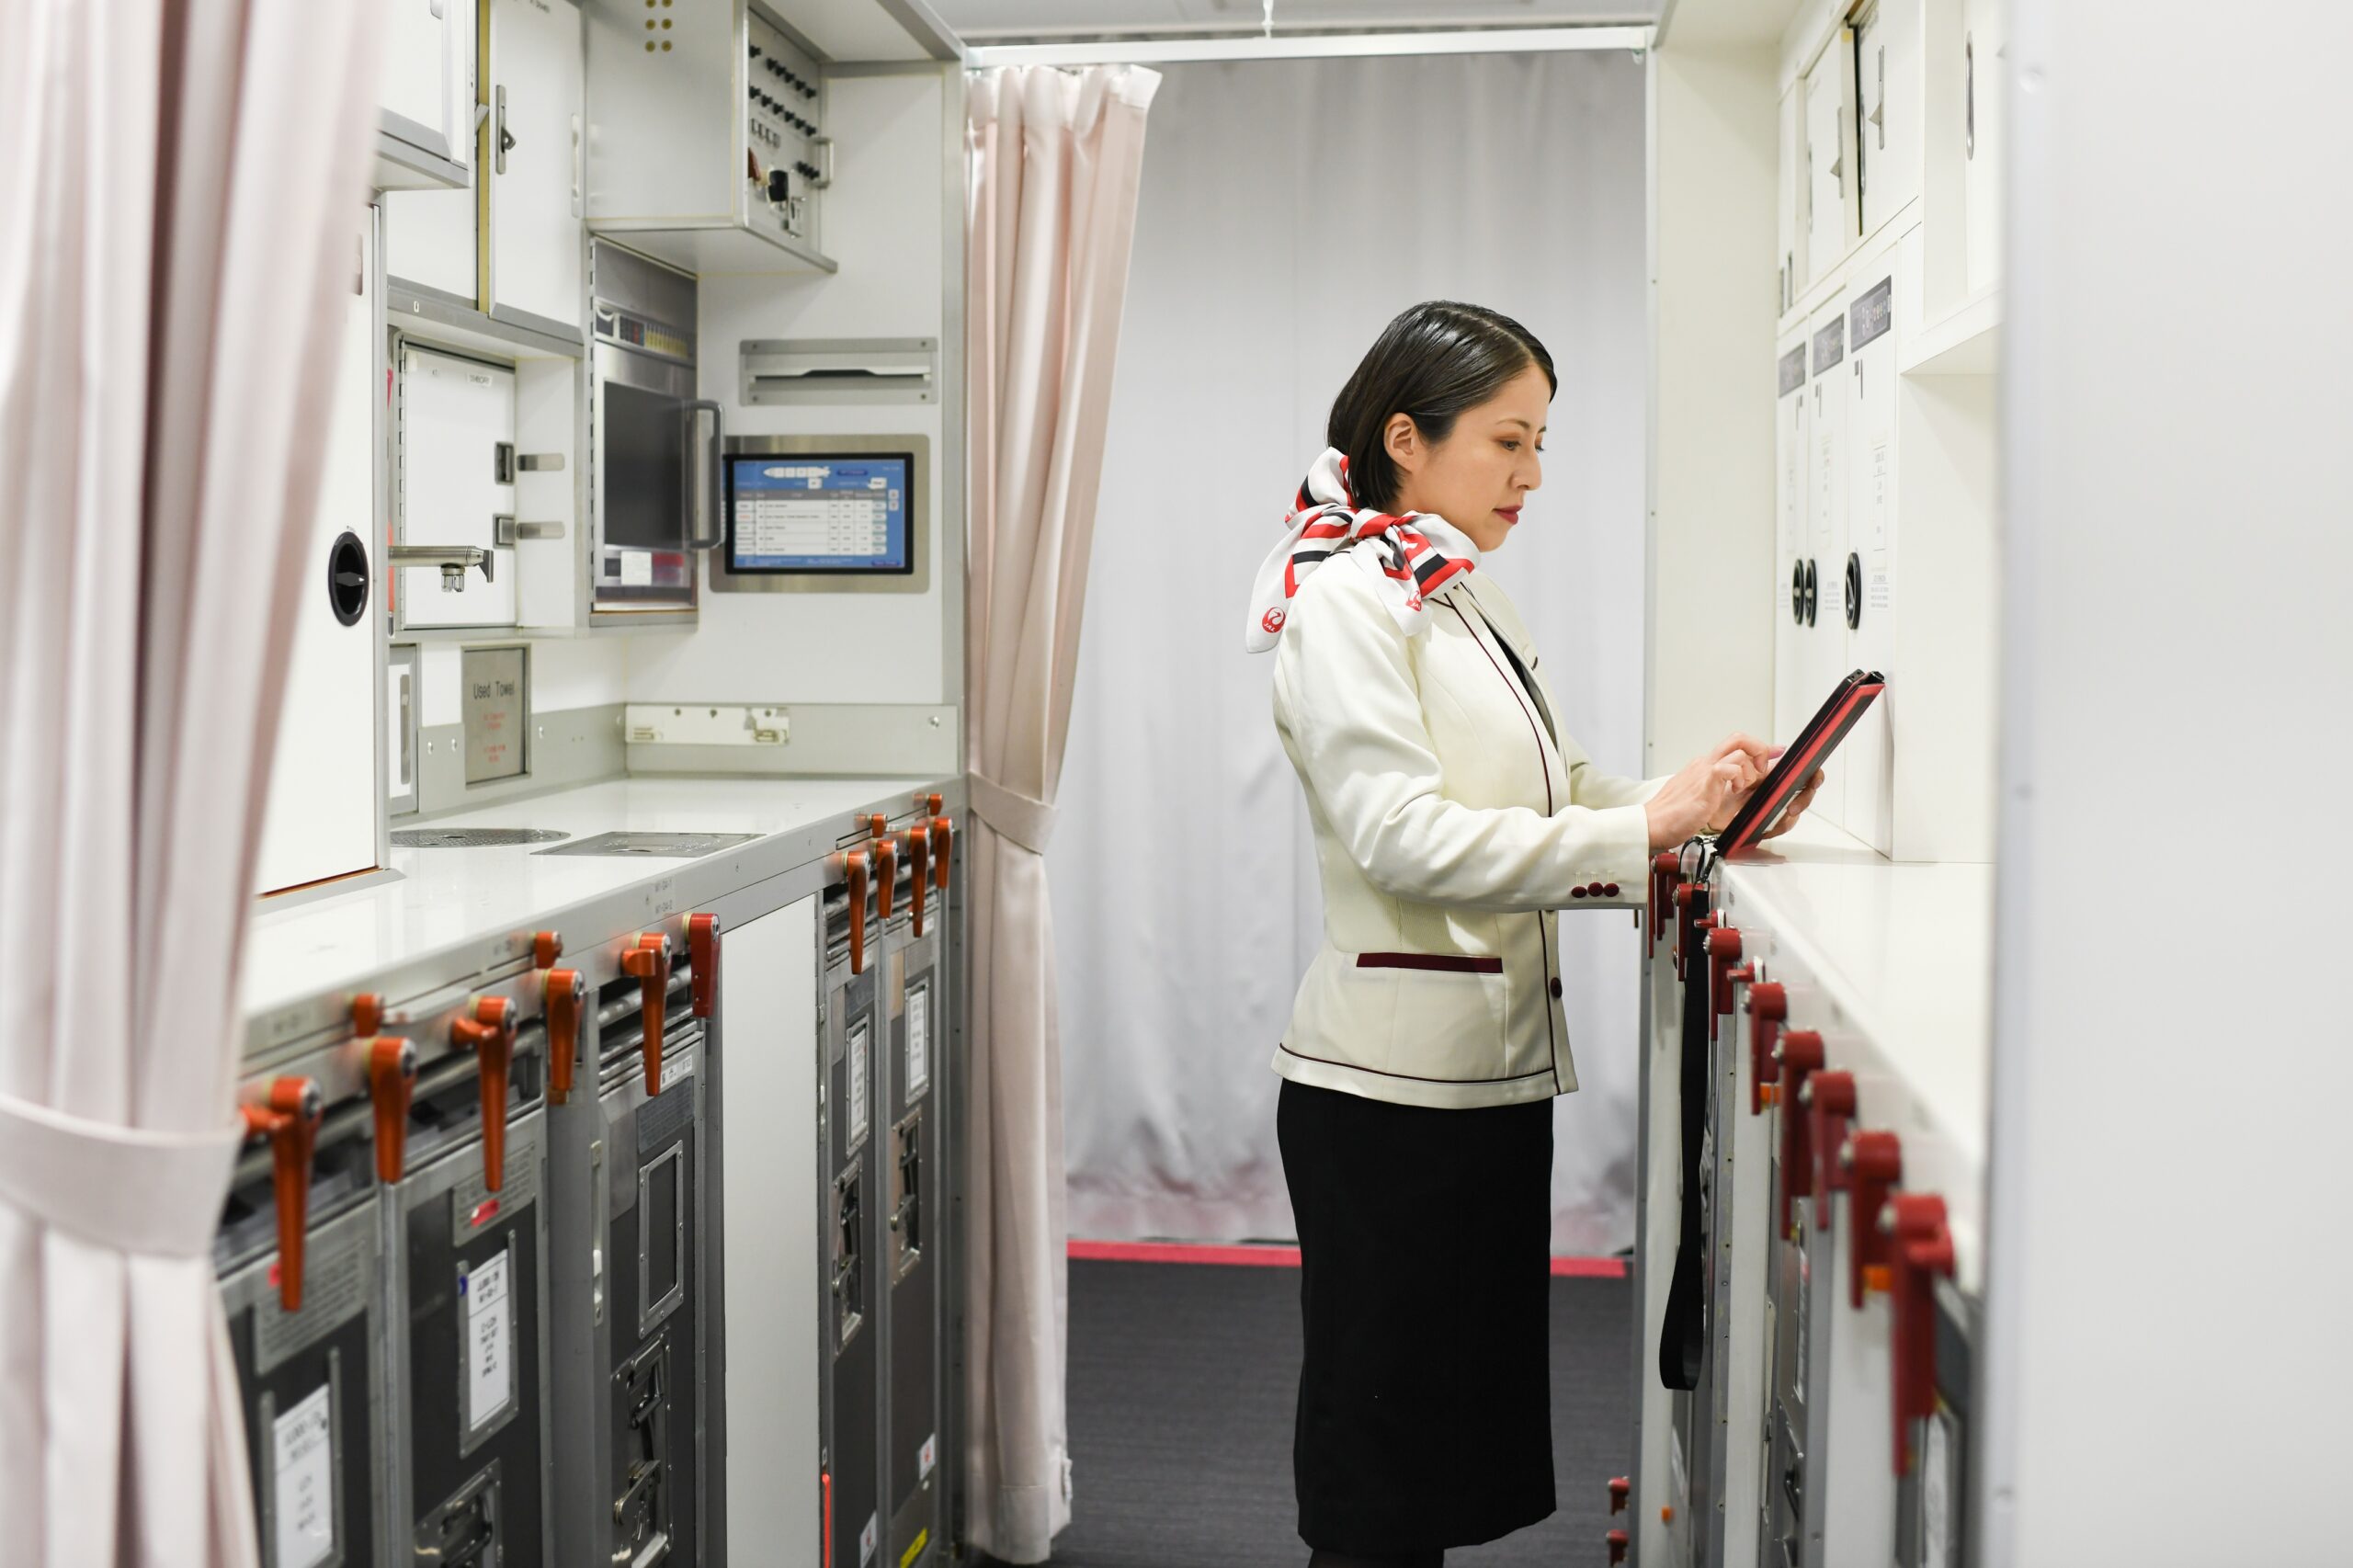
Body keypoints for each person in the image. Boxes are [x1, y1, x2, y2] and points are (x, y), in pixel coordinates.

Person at [1245, 300, 1822, 1568]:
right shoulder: (1351, 600)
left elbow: (1555, 791)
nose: (1533, 473)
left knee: (1440, 1441)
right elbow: (1404, 835)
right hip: (1389, 1092)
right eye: (1510, 440)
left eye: (1541, 441)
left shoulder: (1452, 593)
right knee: (1379, 1452)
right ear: (1407, 436)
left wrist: (1698, 805)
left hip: (1484, 1073)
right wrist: (1643, 829)